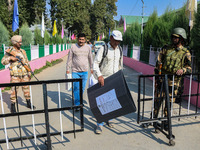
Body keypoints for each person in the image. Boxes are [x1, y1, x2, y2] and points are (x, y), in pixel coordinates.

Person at [153, 27, 192, 130]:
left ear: (181, 39)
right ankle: (153, 120)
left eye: (176, 37)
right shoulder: (166, 48)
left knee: (169, 103)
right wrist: (157, 78)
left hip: (174, 81)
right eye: (173, 37)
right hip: (162, 78)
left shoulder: (185, 52)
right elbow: (158, 62)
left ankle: (166, 122)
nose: (174, 39)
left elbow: (189, 69)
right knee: (157, 100)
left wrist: (183, 70)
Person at [93, 30, 123, 134]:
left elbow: (120, 65)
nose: (117, 43)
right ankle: (99, 123)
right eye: (115, 40)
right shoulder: (103, 49)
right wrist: (99, 76)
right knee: (102, 102)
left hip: (115, 79)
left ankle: (109, 119)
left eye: (119, 41)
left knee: (112, 101)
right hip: (104, 79)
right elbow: (95, 63)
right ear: (111, 38)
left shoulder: (120, 49)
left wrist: (120, 77)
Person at [1, 35, 35, 113]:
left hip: (24, 74)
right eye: (19, 42)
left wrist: (29, 71)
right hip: (15, 75)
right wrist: (10, 58)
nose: (21, 43)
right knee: (14, 91)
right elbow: (3, 61)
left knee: (26, 89)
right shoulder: (10, 51)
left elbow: (26, 62)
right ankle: (13, 106)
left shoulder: (23, 51)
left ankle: (28, 103)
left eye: (21, 42)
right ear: (14, 42)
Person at [66, 33, 93, 111]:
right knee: (76, 88)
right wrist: (68, 69)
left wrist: (92, 68)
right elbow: (69, 59)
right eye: (80, 39)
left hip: (85, 72)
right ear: (77, 39)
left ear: (85, 40)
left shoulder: (88, 47)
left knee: (82, 88)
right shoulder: (73, 47)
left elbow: (90, 58)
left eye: (82, 39)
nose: (81, 41)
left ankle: (79, 101)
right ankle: (77, 104)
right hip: (75, 71)